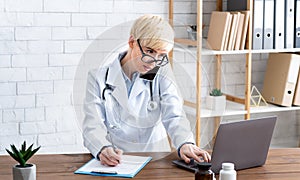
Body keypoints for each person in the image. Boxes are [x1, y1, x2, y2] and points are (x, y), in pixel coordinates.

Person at [82, 14, 211, 166]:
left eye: (161, 55)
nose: (154, 61)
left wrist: (185, 143)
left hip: (155, 160)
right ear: (132, 42)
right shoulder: (98, 77)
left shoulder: (161, 71)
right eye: (149, 51)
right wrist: (102, 148)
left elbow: (174, 114)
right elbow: (92, 125)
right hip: (117, 160)